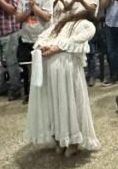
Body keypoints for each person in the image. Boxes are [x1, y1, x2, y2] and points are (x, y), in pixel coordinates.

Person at [26, 10, 101, 156]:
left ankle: (59, 141)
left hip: (49, 65)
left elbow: (41, 38)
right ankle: (72, 142)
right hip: (66, 64)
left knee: (54, 102)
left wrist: (46, 46)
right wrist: (56, 48)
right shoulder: (87, 24)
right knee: (69, 101)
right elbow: (80, 39)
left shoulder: (61, 24)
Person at [16, 0, 55, 102]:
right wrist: (28, 9)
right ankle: (31, 95)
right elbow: (18, 18)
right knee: (29, 68)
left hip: (43, 38)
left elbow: (47, 17)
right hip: (27, 38)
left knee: (44, 66)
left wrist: (34, 7)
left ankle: (45, 95)